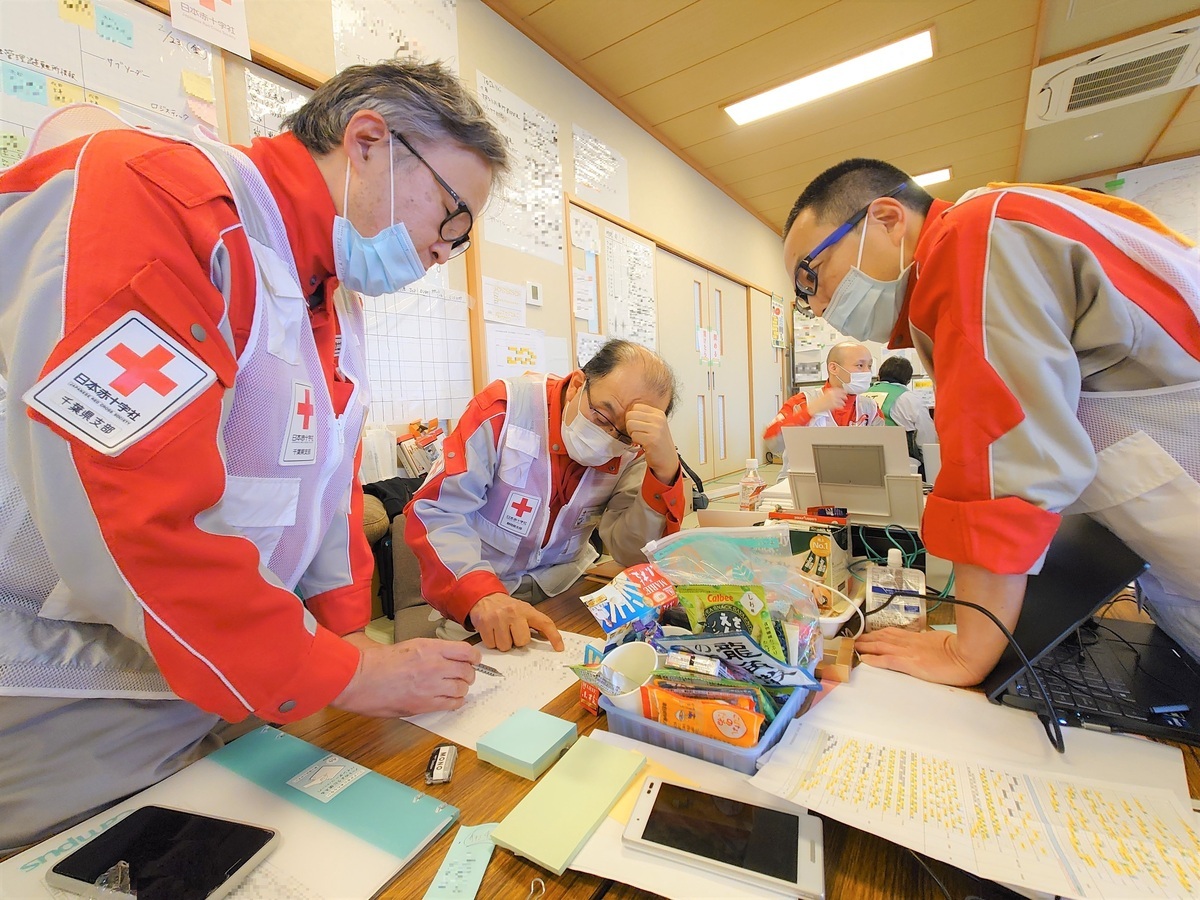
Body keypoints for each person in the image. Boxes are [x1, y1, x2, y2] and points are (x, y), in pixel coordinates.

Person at [0, 59, 508, 851]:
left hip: (223, 680)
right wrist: (350, 675)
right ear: (369, 141)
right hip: (68, 690)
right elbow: (126, 514)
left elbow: (326, 489)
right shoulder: (166, 200)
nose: (446, 252)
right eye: (452, 219)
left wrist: (345, 639)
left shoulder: (326, 292)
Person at [781, 157, 1200, 686]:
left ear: (886, 219)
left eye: (811, 277)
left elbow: (996, 453)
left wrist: (966, 651)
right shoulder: (989, 231)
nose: (818, 306)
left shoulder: (971, 238)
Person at [405, 340, 693, 652]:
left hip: (568, 587)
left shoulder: (634, 449)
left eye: (623, 434)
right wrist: (482, 595)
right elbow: (437, 512)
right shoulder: (505, 408)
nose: (609, 436)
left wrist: (664, 470)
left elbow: (632, 553)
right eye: (601, 416)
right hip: (483, 592)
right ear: (579, 385)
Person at [762, 340, 883, 476]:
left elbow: (885, 450)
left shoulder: (870, 408)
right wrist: (811, 411)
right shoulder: (802, 402)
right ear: (834, 368)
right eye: (860, 365)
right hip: (800, 482)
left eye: (870, 366)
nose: (867, 372)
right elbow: (772, 442)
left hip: (851, 481)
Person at [865, 355, 938, 467]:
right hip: (902, 463)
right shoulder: (910, 399)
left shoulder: (861, 395)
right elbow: (927, 440)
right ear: (908, 380)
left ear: (879, 376)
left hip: (866, 460)